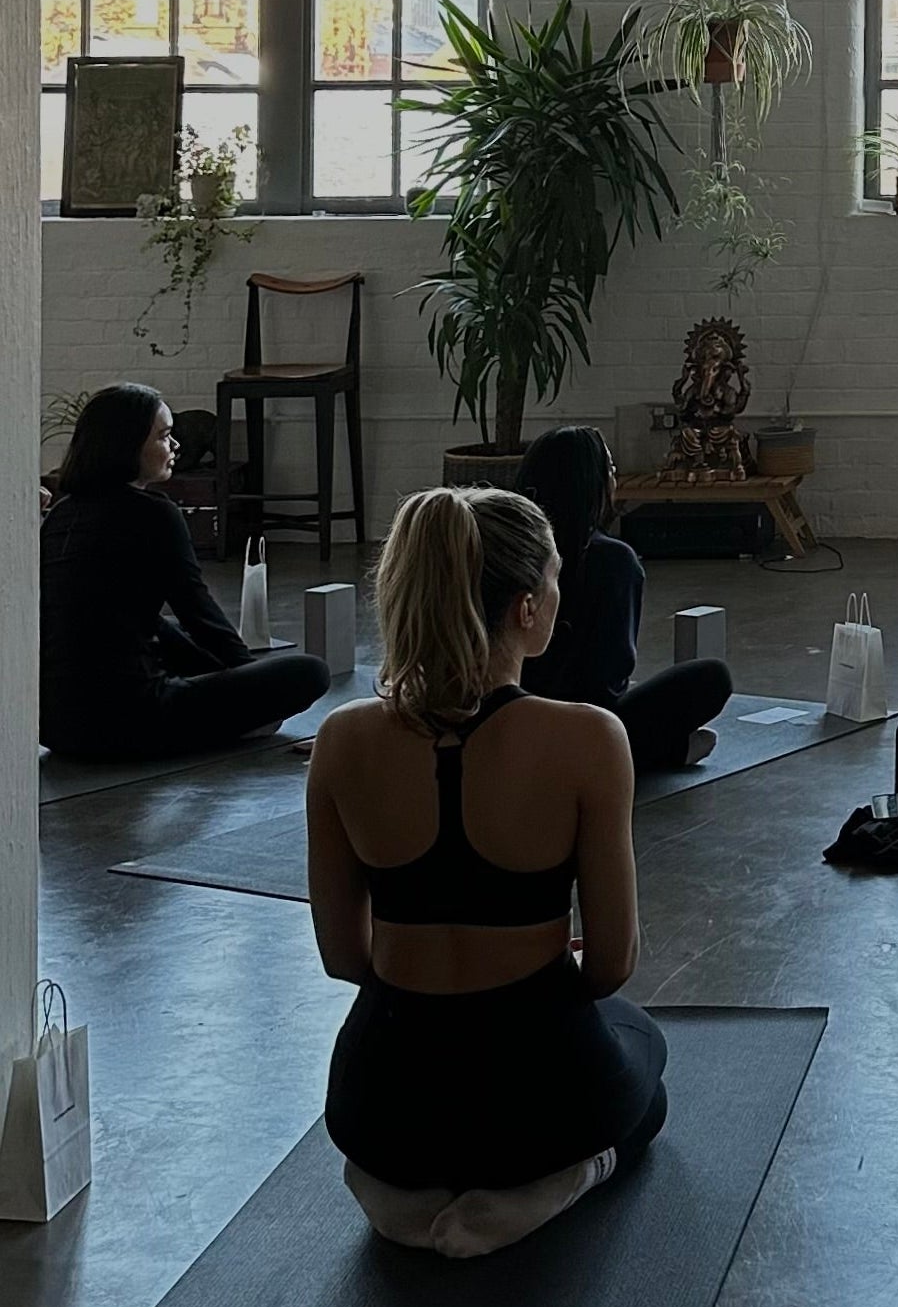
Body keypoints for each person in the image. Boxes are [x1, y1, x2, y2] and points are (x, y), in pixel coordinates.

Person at [309, 486, 667, 1262]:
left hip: (382, 1101)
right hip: (533, 1100)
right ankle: (547, 1187)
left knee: (419, 1100)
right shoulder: (588, 739)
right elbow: (610, 967)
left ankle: (395, 1194)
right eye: (557, 578)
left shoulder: (341, 741)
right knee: (647, 1058)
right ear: (529, 608)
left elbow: (344, 958)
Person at [39, 382, 329, 761]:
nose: (175, 447)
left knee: (155, 624)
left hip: (55, 728)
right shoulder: (153, 513)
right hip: (128, 724)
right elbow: (199, 612)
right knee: (310, 672)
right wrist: (251, 687)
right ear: (127, 445)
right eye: (164, 436)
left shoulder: (62, 513)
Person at [515, 424, 731, 778]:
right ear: (593, 484)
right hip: (581, 730)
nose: (616, 478)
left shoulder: (507, 551)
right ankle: (637, 754)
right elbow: (606, 682)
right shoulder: (610, 560)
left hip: (504, 719)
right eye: (611, 470)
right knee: (712, 678)